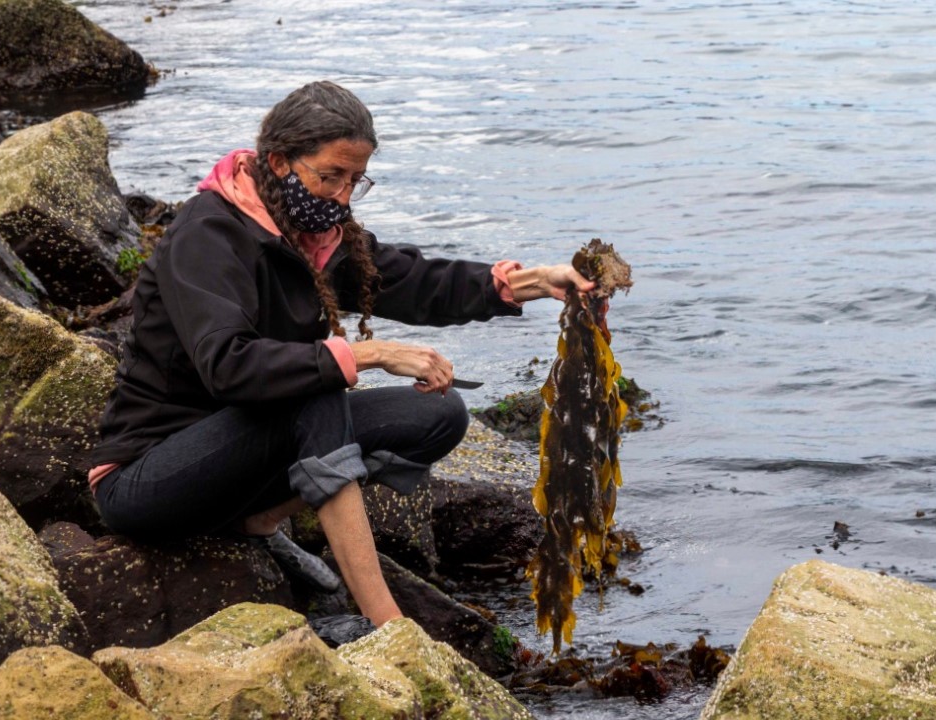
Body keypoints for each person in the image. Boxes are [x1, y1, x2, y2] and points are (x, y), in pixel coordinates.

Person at [88, 81, 593, 629]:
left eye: (356, 180)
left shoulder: (315, 234)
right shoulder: (208, 233)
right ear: (280, 162)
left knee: (437, 415)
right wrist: (367, 354)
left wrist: (528, 283)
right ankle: (389, 625)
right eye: (331, 177)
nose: (344, 196)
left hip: (239, 464)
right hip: (147, 479)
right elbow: (229, 365)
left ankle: (258, 521)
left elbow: (415, 280)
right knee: (320, 385)